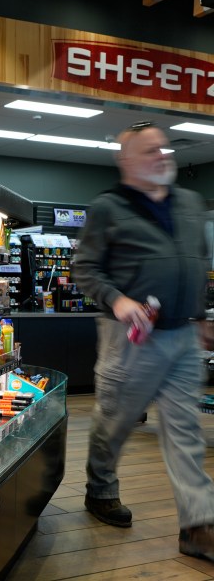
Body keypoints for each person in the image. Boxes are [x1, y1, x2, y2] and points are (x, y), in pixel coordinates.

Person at [72, 121, 214, 561]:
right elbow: (85, 270)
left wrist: (204, 313)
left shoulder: (190, 203)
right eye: (150, 151)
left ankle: (198, 526)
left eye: (165, 149)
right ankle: (100, 489)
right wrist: (117, 301)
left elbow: (199, 263)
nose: (162, 156)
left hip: (184, 335)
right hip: (129, 336)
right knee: (115, 421)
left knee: (185, 430)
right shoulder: (108, 208)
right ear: (126, 160)